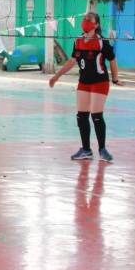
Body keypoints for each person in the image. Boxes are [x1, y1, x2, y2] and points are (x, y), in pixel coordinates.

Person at [49, 12, 122, 162]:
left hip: (100, 82)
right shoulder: (78, 41)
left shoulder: (102, 42)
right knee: (81, 116)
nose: (86, 21)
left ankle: (102, 150)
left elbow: (112, 60)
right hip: (83, 82)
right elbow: (71, 61)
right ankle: (86, 150)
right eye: (84, 18)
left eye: (89, 19)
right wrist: (57, 76)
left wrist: (115, 79)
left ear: (96, 25)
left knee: (96, 116)